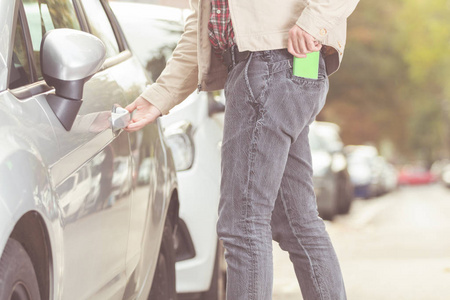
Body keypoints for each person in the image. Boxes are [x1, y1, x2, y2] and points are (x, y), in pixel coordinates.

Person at [125, 0, 359, 299]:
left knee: (243, 222)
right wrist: (159, 97)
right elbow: (201, 29)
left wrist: (313, 22)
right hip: (274, 68)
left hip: (270, 66)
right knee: (296, 222)